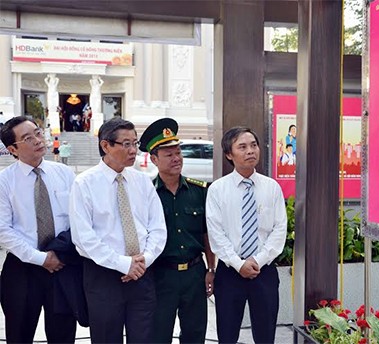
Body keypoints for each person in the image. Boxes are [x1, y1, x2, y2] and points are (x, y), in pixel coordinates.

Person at [69, 117, 167, 343]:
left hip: (142, 274)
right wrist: (123, 264)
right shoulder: (84, 183)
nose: (134, 150)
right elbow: (84, 238)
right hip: (104, 276)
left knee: (143, 338)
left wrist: (144, 260)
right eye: (126, 144)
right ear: (106, 145)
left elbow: (158, 228)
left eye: (135, 143)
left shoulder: (143, 182)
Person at [206, 126, 287, 344]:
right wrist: (238, 263)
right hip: (230, 272)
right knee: (227, 333)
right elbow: (216, 234)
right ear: (229, 155)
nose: (250, 151)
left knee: (265, 334)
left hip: (264, 271)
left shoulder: (272, 188)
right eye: (242, 147)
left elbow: (280, 229)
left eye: (253, 145)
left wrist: (257, 260)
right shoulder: (217, 190)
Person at [0, 116, 77, 343]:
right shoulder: (4, 182)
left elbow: (78, 220)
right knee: (19, 334)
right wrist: (41, 258)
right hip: (22, 269)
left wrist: (58, 255)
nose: (37, 140)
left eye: (37, 132)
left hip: (62, 267)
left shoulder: (64, 174)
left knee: (63, 335)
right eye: (27, 138)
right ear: (13, 149)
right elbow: (3, 230)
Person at [139, 118, 216, 344]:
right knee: (158, 334)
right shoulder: (147, 194)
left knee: (195, 334)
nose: (176, 159)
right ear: (154, 159)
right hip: (161, 275)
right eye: (169, 154)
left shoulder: (198, 191)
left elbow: (206, 234)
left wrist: (211, 268)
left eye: (178, 152)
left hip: (194, 273)